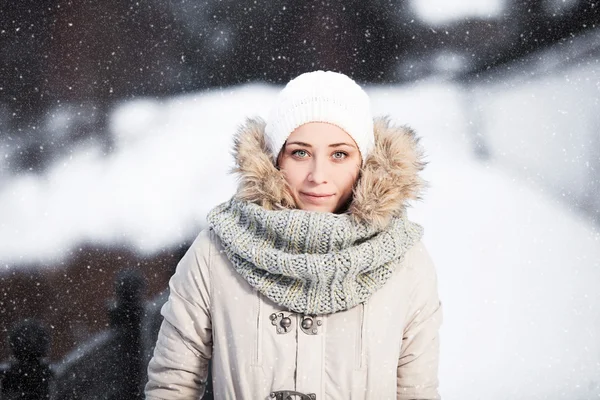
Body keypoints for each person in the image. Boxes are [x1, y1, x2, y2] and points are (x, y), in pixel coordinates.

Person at [145, 70, 443, 399]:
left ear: (365, 163)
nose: (318, 176)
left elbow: (417, 393)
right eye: (300, 152)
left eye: (339, 154)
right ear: (275, 159)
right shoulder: (215, 252)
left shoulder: (406, 263)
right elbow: (172, 386)